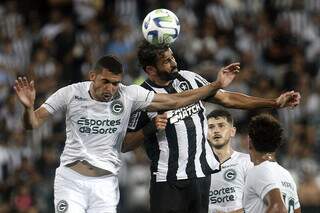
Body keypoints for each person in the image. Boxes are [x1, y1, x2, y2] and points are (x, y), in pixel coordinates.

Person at [14, 55, 240, 213]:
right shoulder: (70, 93)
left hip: (105, 182)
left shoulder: (129, 94)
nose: (111, 89)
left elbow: (175, 99)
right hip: (71, 180)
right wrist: (27, 108)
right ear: (92, 76)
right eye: (105, 82)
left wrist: (215, 85)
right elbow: (32, 124)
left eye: (115, 83)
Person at [123, 41, 301, 213]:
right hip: (167, 180)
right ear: (150, 70)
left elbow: (227, 98)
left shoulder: (189, 78)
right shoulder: (142, 97)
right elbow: (125, 144)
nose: (173, 63)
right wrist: (149, 128)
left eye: (172, 57)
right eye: (166, 61)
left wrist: (273, 103)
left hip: (201, 176)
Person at [243, 114, 301, 213]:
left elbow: (278, 208)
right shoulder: (287, 175)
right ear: (277, 144)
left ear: (250, 142)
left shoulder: (258, 171)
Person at [206, 109, 253, 213]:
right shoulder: (199, 167)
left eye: (221, 126)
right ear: (206, 134)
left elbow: (258, 201)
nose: (216, 131)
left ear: (232, 131)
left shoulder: (247, 162)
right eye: (211, 127)